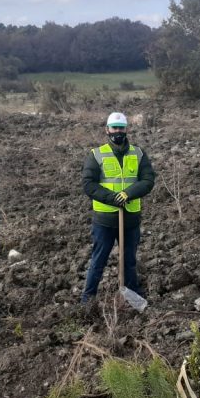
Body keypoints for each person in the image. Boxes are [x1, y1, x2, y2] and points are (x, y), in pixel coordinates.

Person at [80, 112, 155, 304]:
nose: (118, 132)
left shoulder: (138, 154)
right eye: (114, 128)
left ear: (126, 129)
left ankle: (133, 297)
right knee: (98, 261)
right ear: (107, 130)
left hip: (130, 219)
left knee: (129, 261)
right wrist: (112, 198)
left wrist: (128, 194)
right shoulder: (96, 155)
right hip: (104, 219)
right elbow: (89, 184)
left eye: (121, 128)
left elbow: (148, 180)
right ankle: (87, 300)